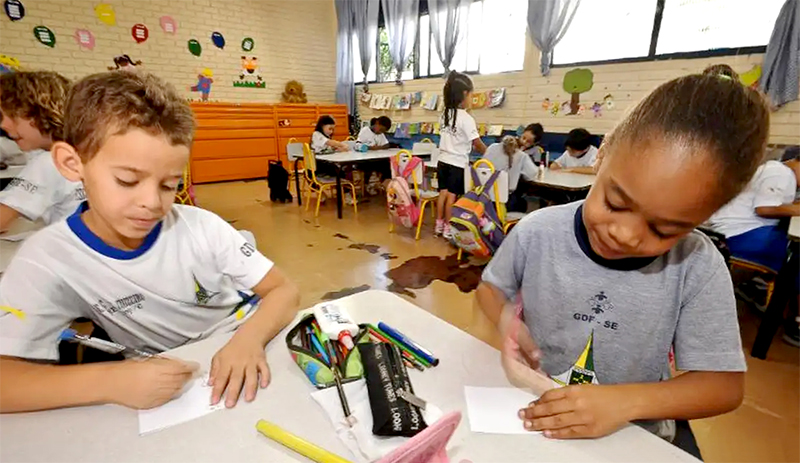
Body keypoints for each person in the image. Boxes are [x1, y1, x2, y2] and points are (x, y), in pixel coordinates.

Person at [475, 73, 769, 458]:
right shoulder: (537, 231)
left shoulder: (697, 265)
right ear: (604, 153)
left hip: (635, 436)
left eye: (664, 229)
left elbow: (724, 387)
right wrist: (507, 322)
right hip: (536, 418)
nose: (626, 235)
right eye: (615, 203)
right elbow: (490, 289)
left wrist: (624, 403)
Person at [0, 71, 300, 413]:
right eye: (127, 181)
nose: (152, 203)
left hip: (247, 340)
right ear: (71, 163)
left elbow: (283, 290)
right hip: (175, 377)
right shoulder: (46, 258)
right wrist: (110, 380)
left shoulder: (201, 226)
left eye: (169, 185)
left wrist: (247, 341)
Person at [0, 71, 84, 233]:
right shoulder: (83, 151)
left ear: (38, 113)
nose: (3, 125)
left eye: (7, 116)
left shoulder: (50, 162)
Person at [706, 149, 799, 273]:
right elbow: (764, 209)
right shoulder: (781, 173)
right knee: (795, 252)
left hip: (736, 232)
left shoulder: (781, 172)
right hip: (739, 235)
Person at [436, 71, 487, 238]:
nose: (471, 98)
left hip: (442, 161)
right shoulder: (466, 118)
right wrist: (489, 154)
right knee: (452, 196)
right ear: (464, 94)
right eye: (471, 95)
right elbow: (477, 143)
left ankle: (439, 225)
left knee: (442, 194)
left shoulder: (444, 114)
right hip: (457, 163)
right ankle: (449, 228)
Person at [483, 136, 540, 213]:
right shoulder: (521, 156)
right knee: (523, 203)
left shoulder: (491, 148)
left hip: (484, 197)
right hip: (504, 202)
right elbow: (532, 174)